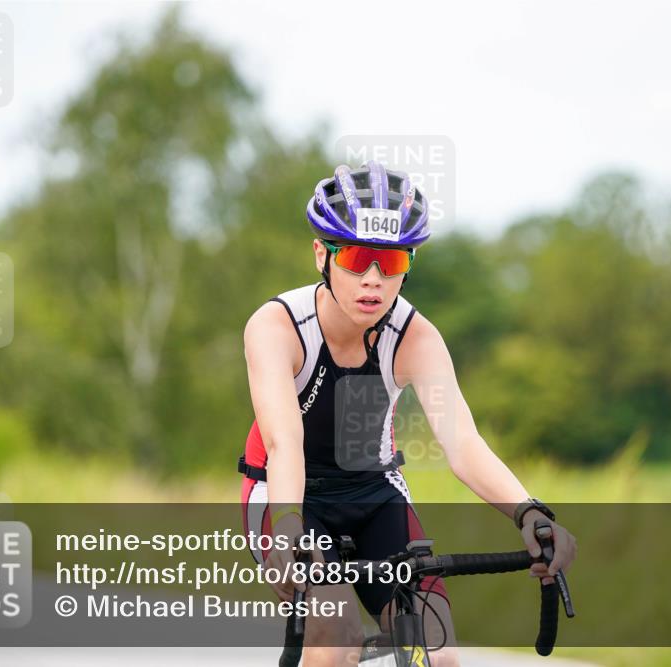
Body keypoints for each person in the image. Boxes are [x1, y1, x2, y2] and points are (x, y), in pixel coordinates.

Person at [239, 161, 577, 666]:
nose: (372, 281)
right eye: (356, 258)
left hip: (374, 492)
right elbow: (285, 443)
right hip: (288, 493)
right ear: (321, 255)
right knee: (336, 635)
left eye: (392, 263)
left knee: (437, 652)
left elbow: (461, 442)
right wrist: (288, 527)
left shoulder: (415, 337)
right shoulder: (278, 326)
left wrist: (529, 512)